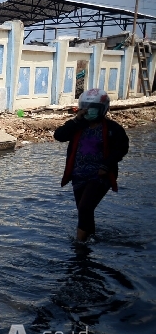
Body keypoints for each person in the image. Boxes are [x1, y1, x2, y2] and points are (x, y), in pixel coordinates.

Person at [53, 88, 128, 242]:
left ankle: (80, 245)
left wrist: (106, 166)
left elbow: (122, 148)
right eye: (86, 108)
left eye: (94, 108)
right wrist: (76, 120)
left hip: (100, 176)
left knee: (85, 208)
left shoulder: (112, 129)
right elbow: (59, 135)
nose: (90, 112)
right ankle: (90, 241)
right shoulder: (78, 125)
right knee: (84, 211)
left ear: (103, 109)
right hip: (78, 175)